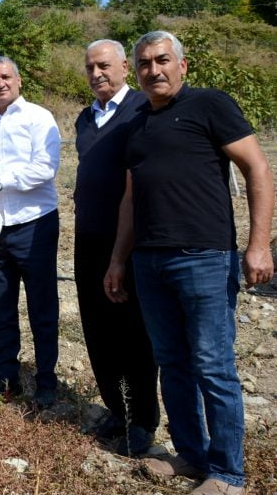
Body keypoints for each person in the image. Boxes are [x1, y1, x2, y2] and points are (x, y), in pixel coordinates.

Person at [105, 31, 274, 495]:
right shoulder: (137, 125)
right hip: (150, 261)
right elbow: (131, 199)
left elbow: (257, 168)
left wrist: (258, 245)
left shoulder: (210, 105)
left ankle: (228, 473)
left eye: (162, 60)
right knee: (173, 362)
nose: (153, 70)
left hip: (203, 256)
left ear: (182, 65)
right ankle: (192, 456)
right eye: (144, 63)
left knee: (213, 365)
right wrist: (119, 258)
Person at [74, 40, 159, 456]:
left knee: (132, 330)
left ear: (125, 66)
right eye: (90, 67)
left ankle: (143, 419)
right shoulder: (84, 118)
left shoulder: (142, 110)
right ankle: (115, 407)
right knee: (97, 328)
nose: (96, 74)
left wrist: (121, 256)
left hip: (126, 241)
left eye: (104, 66)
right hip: (87, 236)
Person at [0, 56, 61, 409]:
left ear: (19, 80)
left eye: (6, 77)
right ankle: (7, 377)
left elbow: (46, 168)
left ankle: (46, 382)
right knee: (1, 307)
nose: (0, 83)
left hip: (35, 224)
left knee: (42, 307)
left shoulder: (39, 118)